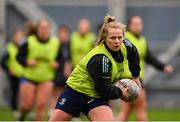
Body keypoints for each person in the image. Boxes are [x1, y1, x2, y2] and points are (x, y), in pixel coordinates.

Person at [49, 15, 141, 121]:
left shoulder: (125, 45)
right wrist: (121, 93)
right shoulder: (100, 58)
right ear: (104, 38)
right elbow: (103, 89)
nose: (117, 41)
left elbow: (134, 54)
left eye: (120, 37)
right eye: (112, 38)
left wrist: (135, 76)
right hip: (76, 91)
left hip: (96, 96)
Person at [118, 16, 173, 121]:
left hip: (137, 79)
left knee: (126, 111)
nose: (138, 26)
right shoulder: (125, 39)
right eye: (135, 24)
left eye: (140, 24)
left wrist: (162, 66)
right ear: (129, 25)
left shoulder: (142, 40)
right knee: (141, 108)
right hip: (129, 78)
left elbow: (149, 57)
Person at [16, 19, 60, 121]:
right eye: (41, 27)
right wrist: (27, 62)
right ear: (37, 29)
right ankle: (22, 115)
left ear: (49, 30)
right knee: (27, 106)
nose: (44, 30)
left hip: (46, 78)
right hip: (29, 77)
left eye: (46, 28)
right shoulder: (29, 41)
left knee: (41, 105)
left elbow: (61, 59)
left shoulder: (55, 43)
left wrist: (57, 64)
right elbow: (18, 57)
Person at [0, 28, 25, 118]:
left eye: (21, 36)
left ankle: (23, 110)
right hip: (13, 75)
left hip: (23, 74)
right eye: (17, 36)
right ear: (13, 37)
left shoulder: (23, 47)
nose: (19, 38)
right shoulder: (9, 47)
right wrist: (9, 70)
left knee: (24, 93)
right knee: (14, 92)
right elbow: (3, 62)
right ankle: (14, 110)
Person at [49, 25, 72, 115]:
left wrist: (68, 66)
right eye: (61, 33)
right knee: (55, 92)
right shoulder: (55, 44)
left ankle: (65, 113)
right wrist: (52, 62)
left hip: (66, 72)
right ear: (58, 34)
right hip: (56, 72)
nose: (63, 35)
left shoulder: (69, 44)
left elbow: (69, 58)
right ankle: (52, 112)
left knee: (66, 93)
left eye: (65, 33)